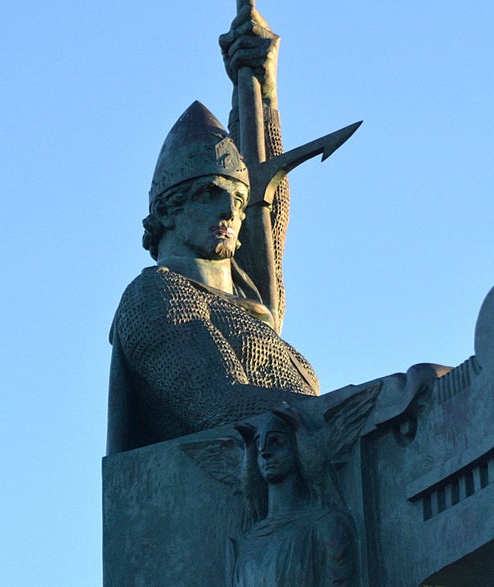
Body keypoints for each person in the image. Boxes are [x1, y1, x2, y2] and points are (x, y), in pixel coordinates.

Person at [106, 5, 319, 454]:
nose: (230, 211)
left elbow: (268, 204)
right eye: (208, 194)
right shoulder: (157, 297)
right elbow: (223, 406)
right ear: (168, 210)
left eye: (238, 202)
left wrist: (264, 90)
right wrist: (369, 402)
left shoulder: (251, 301)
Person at [229, 409, 358, 586]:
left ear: (298, 448)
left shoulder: (327, 525)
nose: (265, 452)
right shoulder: (246, 542)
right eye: (259, 445)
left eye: (276, 441)